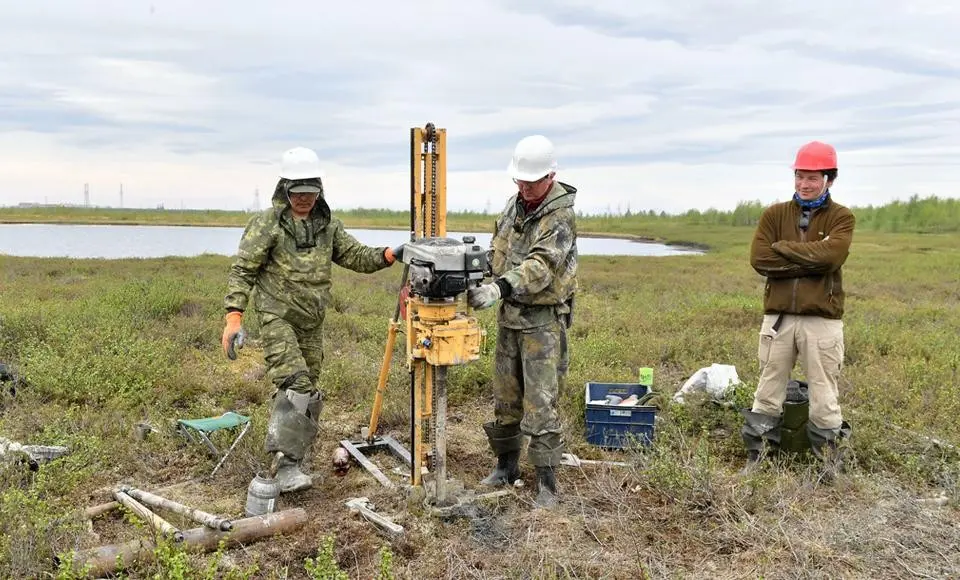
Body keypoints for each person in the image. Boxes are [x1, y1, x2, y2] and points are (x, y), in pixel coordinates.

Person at [221, 146, 404, 493]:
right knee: (296, 384)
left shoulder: (328, 226)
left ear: (319, 190)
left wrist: (388, 254)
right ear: (284, 189)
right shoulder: (266, 225)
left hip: (312, 322)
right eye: (297, 193)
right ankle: (286, 468)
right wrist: (234, 317)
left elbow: (354, 256)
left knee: (309, 393)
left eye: (310, 193)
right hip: (278, 316)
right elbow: (243, 271)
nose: (303, 199)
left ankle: (292, 462)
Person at [468, 135, 578, 508]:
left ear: (550, 176)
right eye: (520, 181)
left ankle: (547, 483)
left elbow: (542, 266)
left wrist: (500, 287)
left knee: (541, 402)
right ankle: (505, 467)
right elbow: (497, 254)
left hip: (542, 323)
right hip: (509, 319)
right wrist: (471, 269)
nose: (525, 188)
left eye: (531, 182)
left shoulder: (560, 216)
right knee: (505, 397)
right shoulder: (512, 207)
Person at [742, 140, 855, 481]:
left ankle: (829, 467)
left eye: (812, 177)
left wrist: (784, 249)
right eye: (800, 176)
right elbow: (760, 259)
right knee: (768, 390)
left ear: (829, 179)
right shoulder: (774, 214)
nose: (804, 184)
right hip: (778, 319)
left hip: (822, 321)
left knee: (824, 395)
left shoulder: (842, 217)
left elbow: (831, 258)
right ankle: (759, 460)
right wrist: (809, 259)